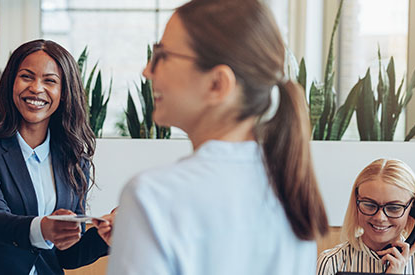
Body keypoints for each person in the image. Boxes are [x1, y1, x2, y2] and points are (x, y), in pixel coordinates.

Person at [106, 0, 329, 274]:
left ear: (217, 84)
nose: (147, 71)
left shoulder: (153, 197)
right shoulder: (293, 193)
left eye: (162, 55)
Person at [0, 39, 113, 275]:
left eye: (50, 81)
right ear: (11, 83)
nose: (37, 88)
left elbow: (67, 255)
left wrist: (105, 237)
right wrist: (43, 228)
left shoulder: (74, 158)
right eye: (27, 76)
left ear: (64, 93)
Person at [317, 158, 415, 274]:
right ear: (356, 204)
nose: (380, 218)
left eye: (394, 208)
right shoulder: (332, 263)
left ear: (413, 211)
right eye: (369, 205)